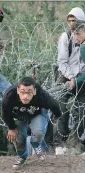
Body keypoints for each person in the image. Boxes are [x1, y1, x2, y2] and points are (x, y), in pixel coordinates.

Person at [2, 76, 61, 169]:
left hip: (37, 114)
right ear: (18, 90)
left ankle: (36, 144)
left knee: (38, 132)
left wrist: (57, 115)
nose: (25, 96)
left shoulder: (41, 95)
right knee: (19, 140)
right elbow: (5, 113)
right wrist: (11, 127)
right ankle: (22, 157)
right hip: (18, 116)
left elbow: (54, 105)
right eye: (22, 92)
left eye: (29, 92)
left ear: (34, 91)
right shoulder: (9, 95)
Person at [54, 7, 85, 153]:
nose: (72, 23)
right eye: (70, 20)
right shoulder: (65, 37)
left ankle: (76, 141)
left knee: (81, 110)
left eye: (75, 20)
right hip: (65, 75)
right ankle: (61, 140)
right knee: (61, 108)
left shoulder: (83, 36)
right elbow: (62, 62)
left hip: (81, 77)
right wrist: (71, 77)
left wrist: (78, 79)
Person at [66, 21, 85, 154]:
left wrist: (75, 81)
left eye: (77, 35)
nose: (76, 39)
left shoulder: (83, 47)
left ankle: (79, 144)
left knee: (80, 114)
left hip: (81, 85)